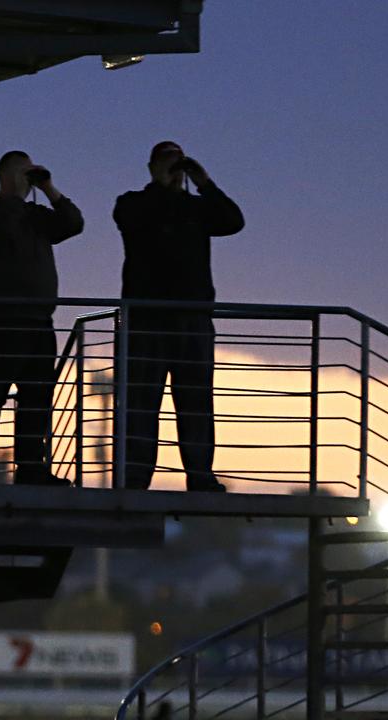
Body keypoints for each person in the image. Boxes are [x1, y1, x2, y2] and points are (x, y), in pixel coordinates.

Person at [113, 141, 244, 492]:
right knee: (141, 402)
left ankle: (200, 474)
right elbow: (135, 217)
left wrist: (204, 182)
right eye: (166, 162)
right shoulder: (133, 203)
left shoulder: (197, 208)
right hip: (147, 321)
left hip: (192, 320)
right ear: (151, 166)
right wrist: (165, 183)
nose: (173, 168)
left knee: (196, 401)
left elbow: (233, 221)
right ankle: (136, 477)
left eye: (177, 162)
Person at [0, 151, 84, 486]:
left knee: (37, 396)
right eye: (23, 171)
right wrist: (17, 196)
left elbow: (74, 223)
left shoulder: (37, 215)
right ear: (6, 174)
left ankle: (31, 467)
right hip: (2, 317)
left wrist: (48, 188)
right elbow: (0, 231)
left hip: (39, 318)